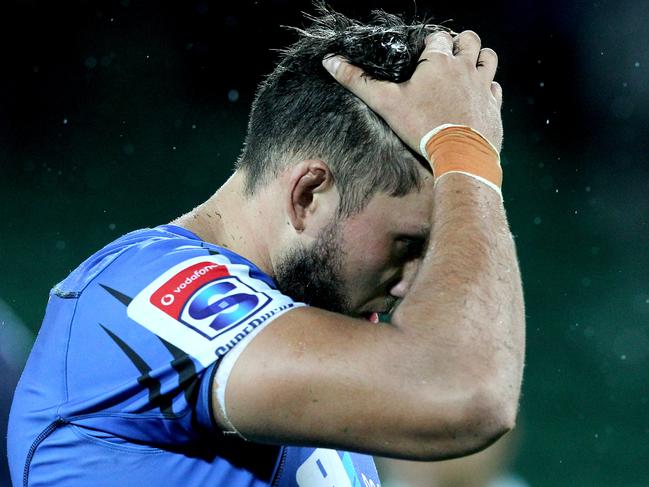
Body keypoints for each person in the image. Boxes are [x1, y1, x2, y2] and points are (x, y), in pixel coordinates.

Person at [8, 6, 525, 487]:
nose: (413, 283)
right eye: (406, 244)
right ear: (307, 195)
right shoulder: (147, 293)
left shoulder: (300, 369)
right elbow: (464, 394)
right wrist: (464, 156)